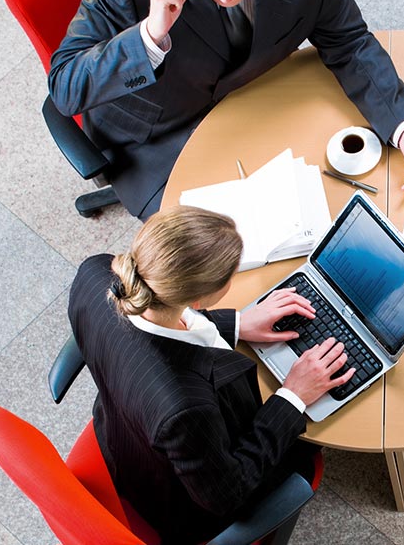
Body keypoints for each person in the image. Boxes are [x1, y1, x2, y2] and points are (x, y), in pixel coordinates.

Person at [49, 0, 404, 220]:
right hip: (155, 140)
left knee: (332, 209)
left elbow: (348, 42)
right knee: (222, 264)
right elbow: (65, 88)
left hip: (256, 98)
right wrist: (149, 34)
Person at [68, 205, 354, 543]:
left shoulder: (95, 273)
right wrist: (293, 396)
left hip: (123, 433)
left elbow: (154, 326)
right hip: (178, 499)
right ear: (201, 299)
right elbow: (228, 493)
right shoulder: (185, 407)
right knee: (308, 454)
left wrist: (237, 324)